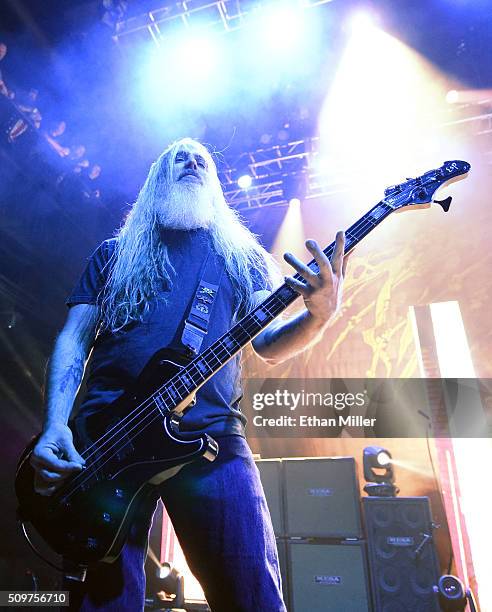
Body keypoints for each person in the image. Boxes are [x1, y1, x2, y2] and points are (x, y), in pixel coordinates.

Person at [29, 137, 349, 611]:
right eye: (179, 157)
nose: (193, 162)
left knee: (251, 596)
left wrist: (319, 315)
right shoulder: (114, 254)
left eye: (202, 159)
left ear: (216, 187)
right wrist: (56, 423)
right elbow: (74, 340)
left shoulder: (241, 259)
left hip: (209, 439)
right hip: (101, 443)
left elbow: (269, 345)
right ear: (158, 179)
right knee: (103, 602)